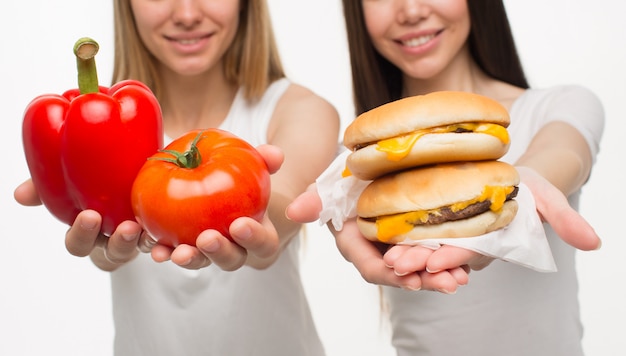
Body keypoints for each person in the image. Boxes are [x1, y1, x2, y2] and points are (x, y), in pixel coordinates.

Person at [14, 0, 339, 355]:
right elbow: (99, 228)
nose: (187, 15)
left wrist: (258, 220)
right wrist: (105, 248)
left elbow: (283, 202)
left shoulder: (302, 111)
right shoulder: (97, 125)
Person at [287, 0, 603, 355]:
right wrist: (340, 202)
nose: (410, 11)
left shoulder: (561, 105)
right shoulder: (356, 166)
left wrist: (527, 181)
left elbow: (562, 153)